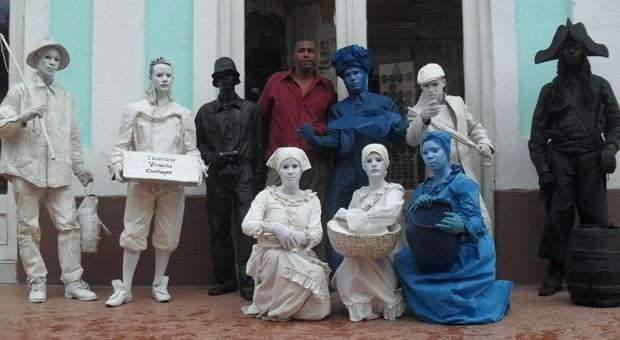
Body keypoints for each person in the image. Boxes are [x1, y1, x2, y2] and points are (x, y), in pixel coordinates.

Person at [0, 38, 97, 303]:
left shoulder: (65, 96)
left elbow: (73, 136)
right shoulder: (19, 91)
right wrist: (23, 117)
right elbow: (2, 128)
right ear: (37, 61)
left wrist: (79, 168)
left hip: (59, 172)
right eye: (48, 58)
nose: (52, 62)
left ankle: (73, 282)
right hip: (26, 169)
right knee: (28, 228)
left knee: (69, 226)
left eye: (56, 59)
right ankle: (36, 282)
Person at [528, 19, 620, 296]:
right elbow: (537, 137)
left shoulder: (600, 87)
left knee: (596, 216)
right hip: (561, 161)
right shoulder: (549, 91)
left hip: (592, 160)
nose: (571, 52)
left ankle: (596, 269)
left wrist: (609, 149)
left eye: (576, 47)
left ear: (584, 53)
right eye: (567, 48)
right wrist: (544, 169)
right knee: (558, 216)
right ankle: (556, 271)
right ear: (559, 55)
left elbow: (616, 123)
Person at [105, 57, 205, 307]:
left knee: (167, 235)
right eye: (159, 75)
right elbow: (121, 146)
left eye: (168, 76)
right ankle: (125, 287)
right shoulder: (135, 110)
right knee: (133, 233)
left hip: (171, 186)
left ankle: (159, 283)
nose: (163, 79)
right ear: (150, 78)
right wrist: (117, 165)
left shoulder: (182, 114)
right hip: (141, 183)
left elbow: (190, 149)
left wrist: (197, 165)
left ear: (172, 79)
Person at [298, 44, 406, 271]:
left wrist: (397, 124)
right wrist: (313, 138)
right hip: (346, 168)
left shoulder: (384, 104)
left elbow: (399, 137)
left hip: (376, 171)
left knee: (380, 217)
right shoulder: (339, 110)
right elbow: (333, 140)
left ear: (366, 74)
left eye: (356, 73)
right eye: (347, 75)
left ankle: (384, 270)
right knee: (335, 216)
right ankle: (340, 272)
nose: (352, 78)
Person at [394, 131, 512, 324]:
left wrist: (462, 225)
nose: (430, 156)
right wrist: (417, 205)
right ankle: (436, 301)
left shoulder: (463, 183)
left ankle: (487, 297)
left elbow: (477, 221)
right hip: (431, 250)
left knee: (447, 296)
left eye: (435, 150)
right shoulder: (423, 188)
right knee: (402, 261)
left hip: (463, 249)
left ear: (446, 152)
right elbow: (409, 218)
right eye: (425, 153)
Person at [195, 57, 262, 301]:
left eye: (229, 76)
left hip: (244, 173)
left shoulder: (250, 109)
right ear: (215, 81)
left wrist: (257, 179)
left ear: (236, 79)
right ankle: (225, 279)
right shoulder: (205, 112)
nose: (225, 80)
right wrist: (214, 156)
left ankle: (248, 280)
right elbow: (199, 144)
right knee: (218, 227)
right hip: (217, 174)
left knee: (247, 228)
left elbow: (258, 145)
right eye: (221, 76)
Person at [241, 147, 330, 321]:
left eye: (294, 166)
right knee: (276, 259)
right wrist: (274, 227)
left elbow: (317, 232)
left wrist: (301, 237)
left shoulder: (311, 199)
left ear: (301, 169)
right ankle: (278, 308)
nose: (290, 171)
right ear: (278, 170)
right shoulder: (266, 196)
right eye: (285, 167)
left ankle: (298, 310)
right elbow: (247, 225)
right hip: (270, 252)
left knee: (317, 273)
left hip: (299, 253)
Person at [405, 63, 493, 229]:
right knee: (446, 219)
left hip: (465, 171)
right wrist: (422, 118)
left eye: (435, 84)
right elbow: (411, 140)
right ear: (421, 87)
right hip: (439, 176)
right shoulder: (416, 111)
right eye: (426, 86)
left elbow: (473, 126)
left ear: (443, 83)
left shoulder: (457, 102)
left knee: (479, 218)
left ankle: (481, 253)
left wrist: (484, 142)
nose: (431, 90)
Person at [330, 143, 405, 322]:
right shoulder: (359, 193)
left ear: (386, 163)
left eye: (378, 160)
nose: (374, 164)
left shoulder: (394, 189)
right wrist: (354, 218)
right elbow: (346, 223)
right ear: (364, 166)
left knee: (375, 265)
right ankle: (359, 302)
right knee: (351, 265)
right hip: (359, 247)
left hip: (384, 249)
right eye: (369, 160)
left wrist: (357, 216)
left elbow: (390, 214)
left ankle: (381, 297)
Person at [257, 39, 336, 204]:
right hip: (280, 159)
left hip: (314, 159)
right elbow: (260, 118)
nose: (306, 54)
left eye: (310, 51)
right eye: (301, 51)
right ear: (293, 56)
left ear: (316, 56)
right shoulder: (276, 82)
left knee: (312, 209)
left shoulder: (326, 87)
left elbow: (332, 124)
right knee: (272, 207)